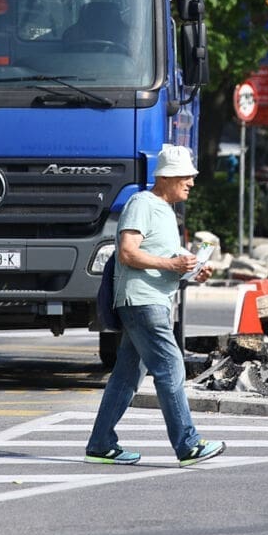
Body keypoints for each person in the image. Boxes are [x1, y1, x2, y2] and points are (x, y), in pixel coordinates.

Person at [85, 144, 225, 467]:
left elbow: (167, 263)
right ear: (166, 177)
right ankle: (187, 445)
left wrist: (193, 270)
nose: (191, 181)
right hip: (142, 301)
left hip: (153, 301)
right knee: (171, 365)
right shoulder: (142, 202)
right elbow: (127, 252)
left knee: (126, 377)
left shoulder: (166, 212)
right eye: (186, 176)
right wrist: (172, 264)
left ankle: (100, 443)